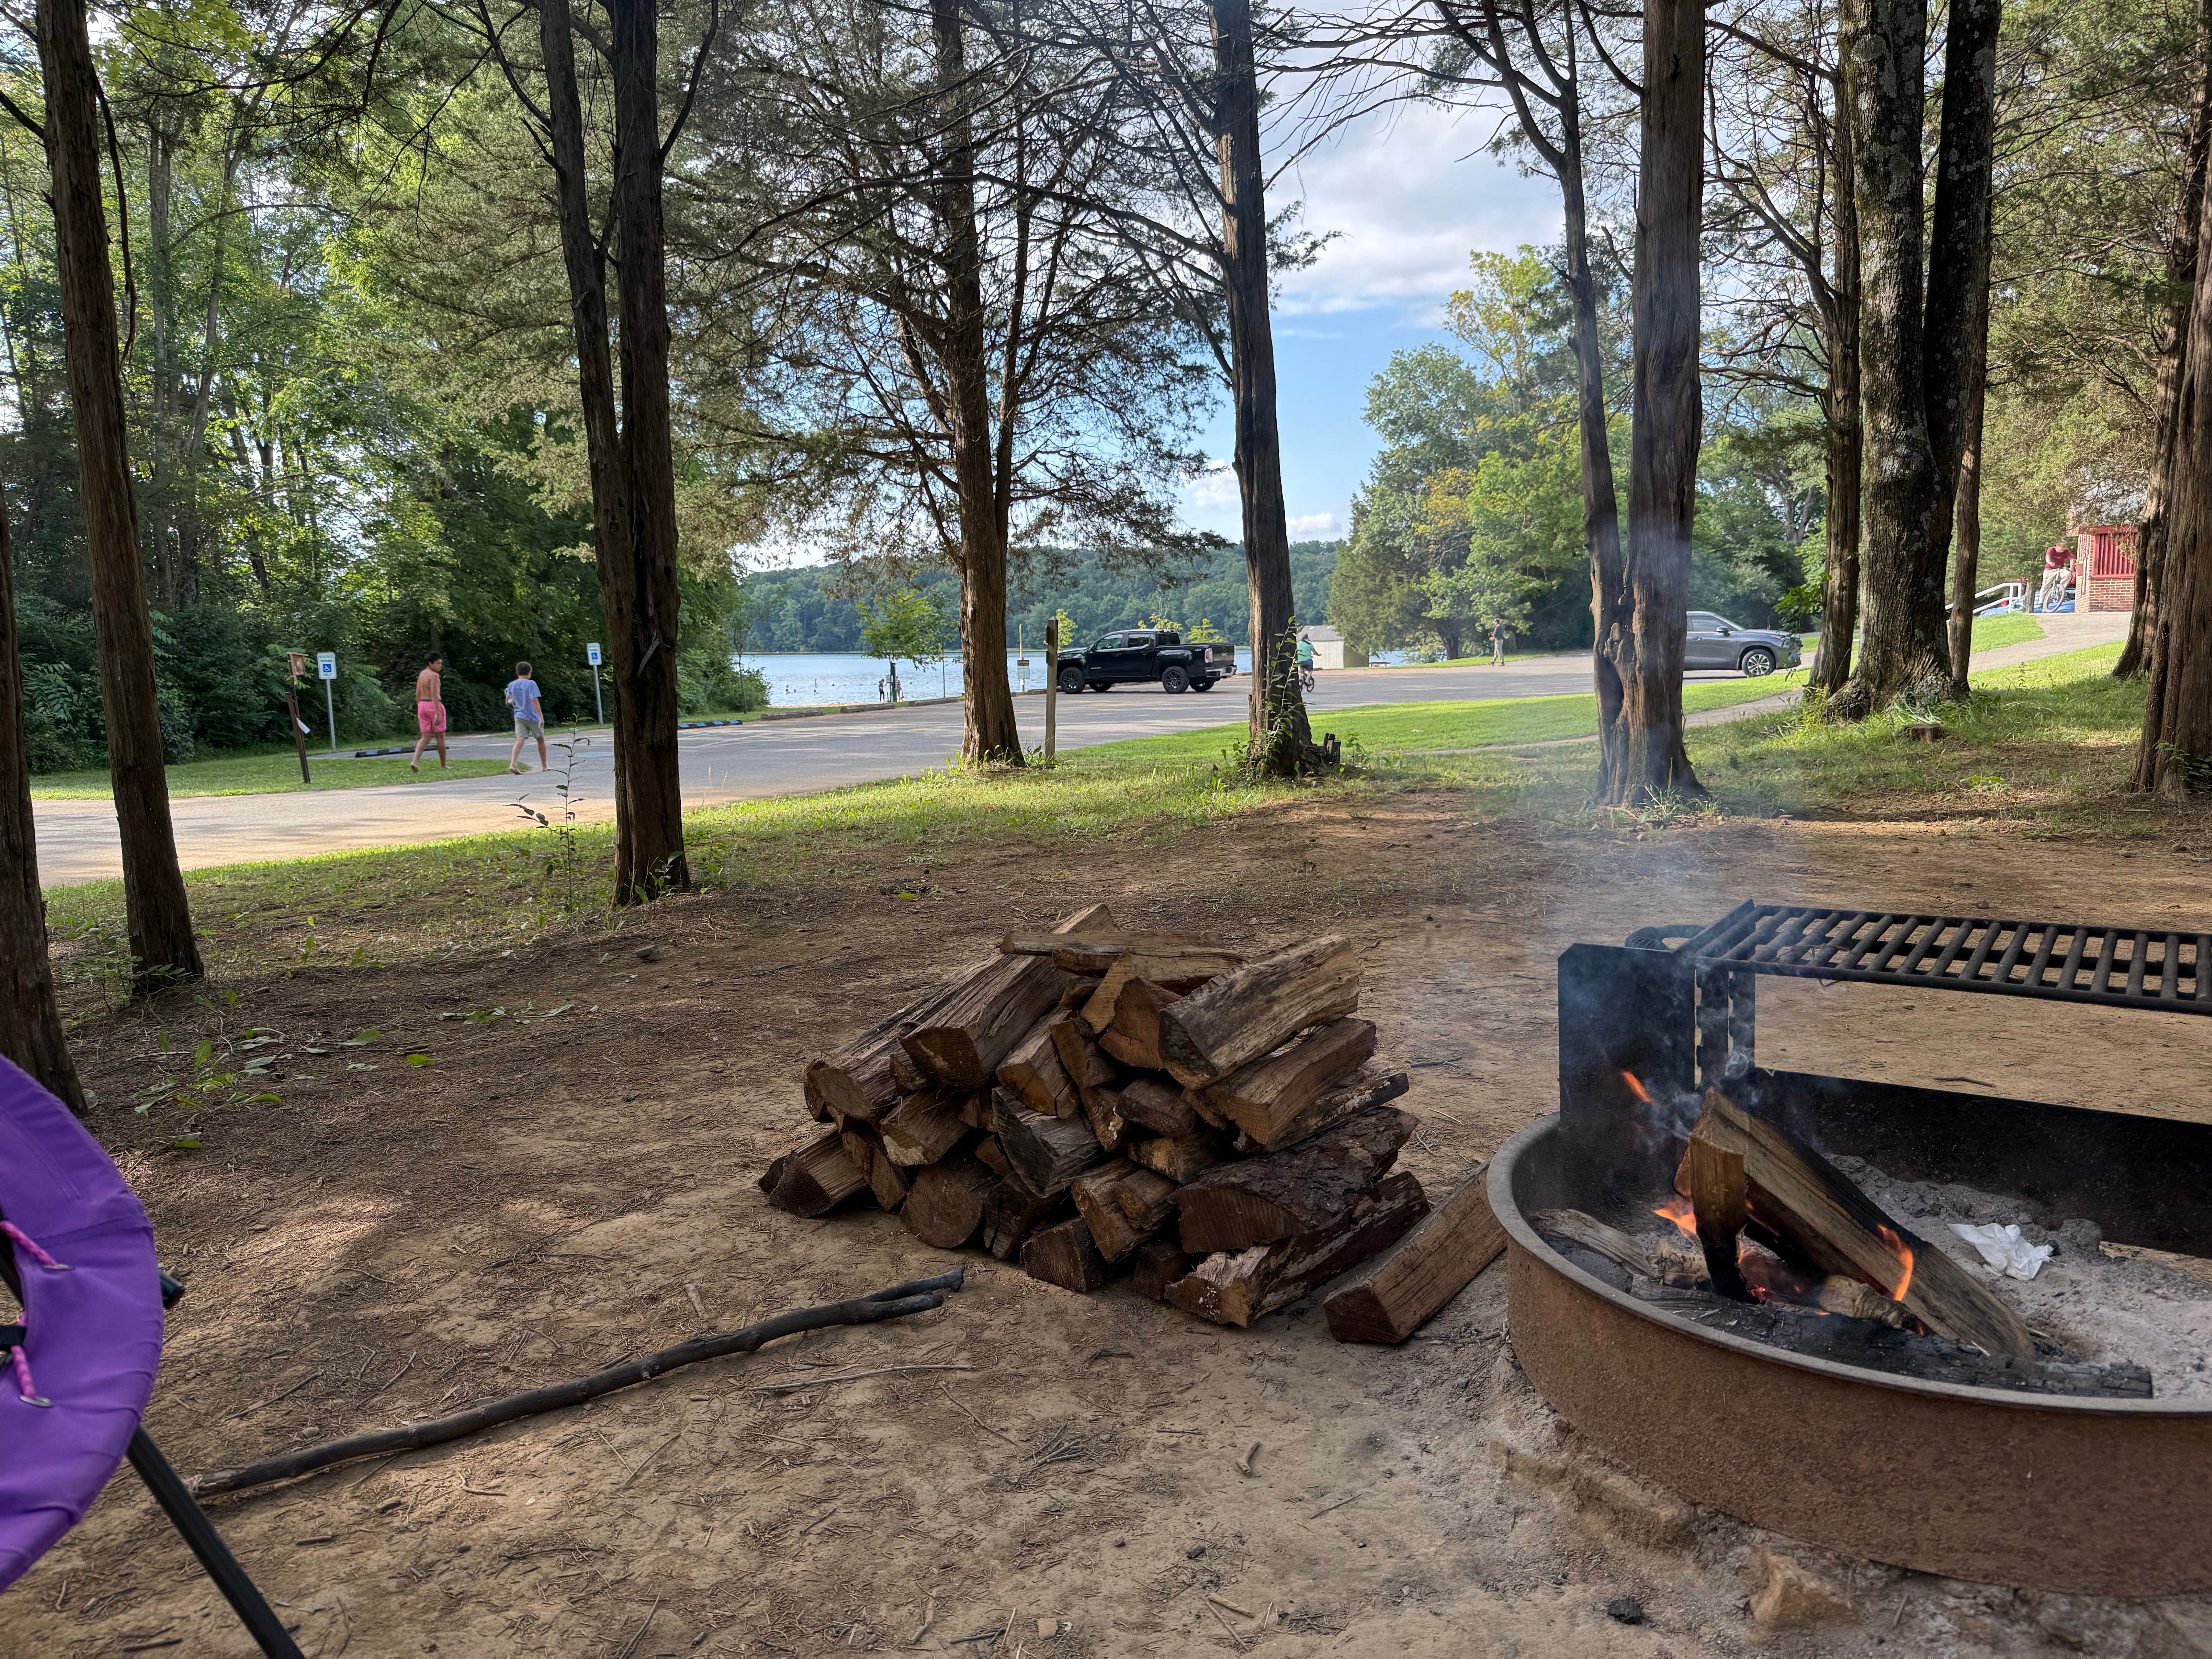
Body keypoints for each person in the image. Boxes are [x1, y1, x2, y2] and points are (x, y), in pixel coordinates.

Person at [505, 660, 548, 775]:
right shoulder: (531, 684)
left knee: (520, 740)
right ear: (529, 672)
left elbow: (507, 701)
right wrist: (541, 717)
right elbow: (534, 700)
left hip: (519, 716)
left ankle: (513, 764)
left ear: (517, 672)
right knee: (540, 739)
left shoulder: (512, 685)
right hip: (532, 717)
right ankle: (544, 766)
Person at [409, 651, 448, 773]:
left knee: (425, 737)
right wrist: (438, 713)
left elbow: (417, 694)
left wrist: (419, 707)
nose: (440, 666)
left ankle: (415, 762)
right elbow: (435, 695)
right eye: (438, 663)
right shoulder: (434, 676)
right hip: (433, 705)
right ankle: (443, 765)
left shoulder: (422, 674)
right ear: (430, 663)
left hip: (422, 705)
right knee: (440, 737)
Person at [2038, 545, 2073, 612]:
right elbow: (2047, 557)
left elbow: (2071, 559)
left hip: (2060, 569)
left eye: (2063, 550)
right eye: (2060, 550)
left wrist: (2071, 568)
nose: (2061, 551)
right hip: (2050, 570)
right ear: (2057, 547)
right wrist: (2050, 563)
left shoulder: (2066, 551)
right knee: (2046, 586)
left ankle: (2060, 590)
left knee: (2068, 575)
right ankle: (2041, 602)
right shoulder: (2051, 550)